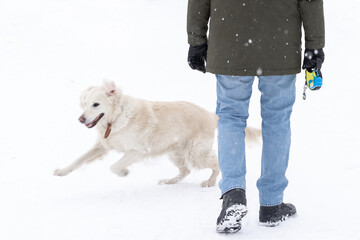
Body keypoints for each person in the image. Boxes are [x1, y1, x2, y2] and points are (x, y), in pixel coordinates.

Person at [187, 0, 325, 233]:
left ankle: (233, 193)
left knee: (230, 116)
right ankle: (272, 203)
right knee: (277, 121)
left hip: (230, 39)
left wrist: (196, 39)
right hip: (279, 42)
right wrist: (315, 44)